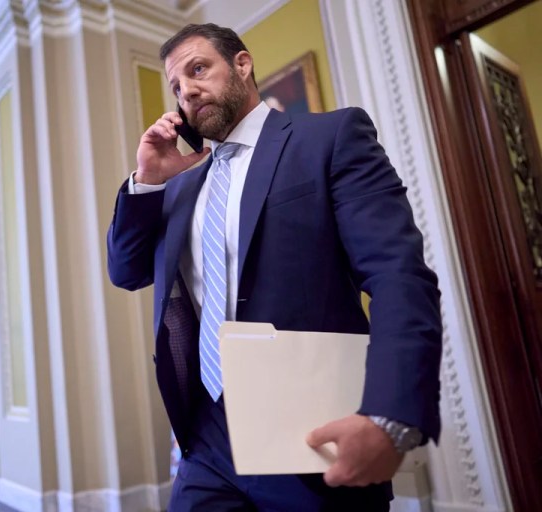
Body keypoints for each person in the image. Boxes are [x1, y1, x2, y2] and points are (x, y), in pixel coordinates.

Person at [107, 23, 442, 511]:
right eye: (176, 86)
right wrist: (147, 180)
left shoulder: (330, 137)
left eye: (199, 69)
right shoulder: (178, 186)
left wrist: (390, 416)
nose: (187, 91)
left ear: (243, 64)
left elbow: (398, 275)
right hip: (206, 438)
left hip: (308, 431)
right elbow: (126, 271)